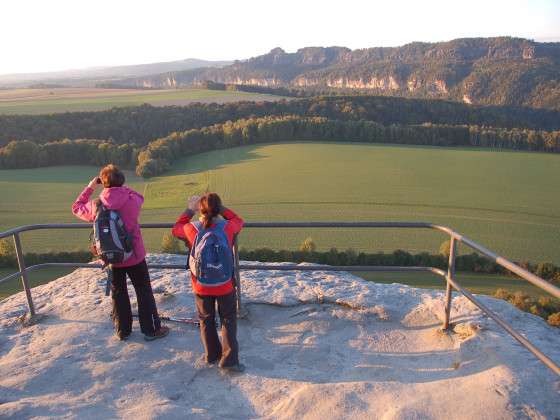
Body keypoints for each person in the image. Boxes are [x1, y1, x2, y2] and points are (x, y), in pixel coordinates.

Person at [72, 164, 169, 341]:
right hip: (134, 255)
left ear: (104, 183)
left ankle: (123, 331)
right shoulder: (131, 200)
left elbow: (76, 207)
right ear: (122, 181)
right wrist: (121, 188)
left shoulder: (96, 205)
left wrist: (91, 187)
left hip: (112, 258)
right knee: (143, 291)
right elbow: (140, 196)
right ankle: (151, 330)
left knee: (119, 293)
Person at [172, 192, 244, 372]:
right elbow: (239, 220)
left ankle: (212, 355)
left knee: (206, 319)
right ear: (218, 209)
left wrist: (190, 209)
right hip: (225, 283)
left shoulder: (191, 228)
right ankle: (229, 361)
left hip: (201, 285)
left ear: (200, 210)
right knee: (228, 319)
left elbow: (176, 228)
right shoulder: (228, 227)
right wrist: (222, 209)